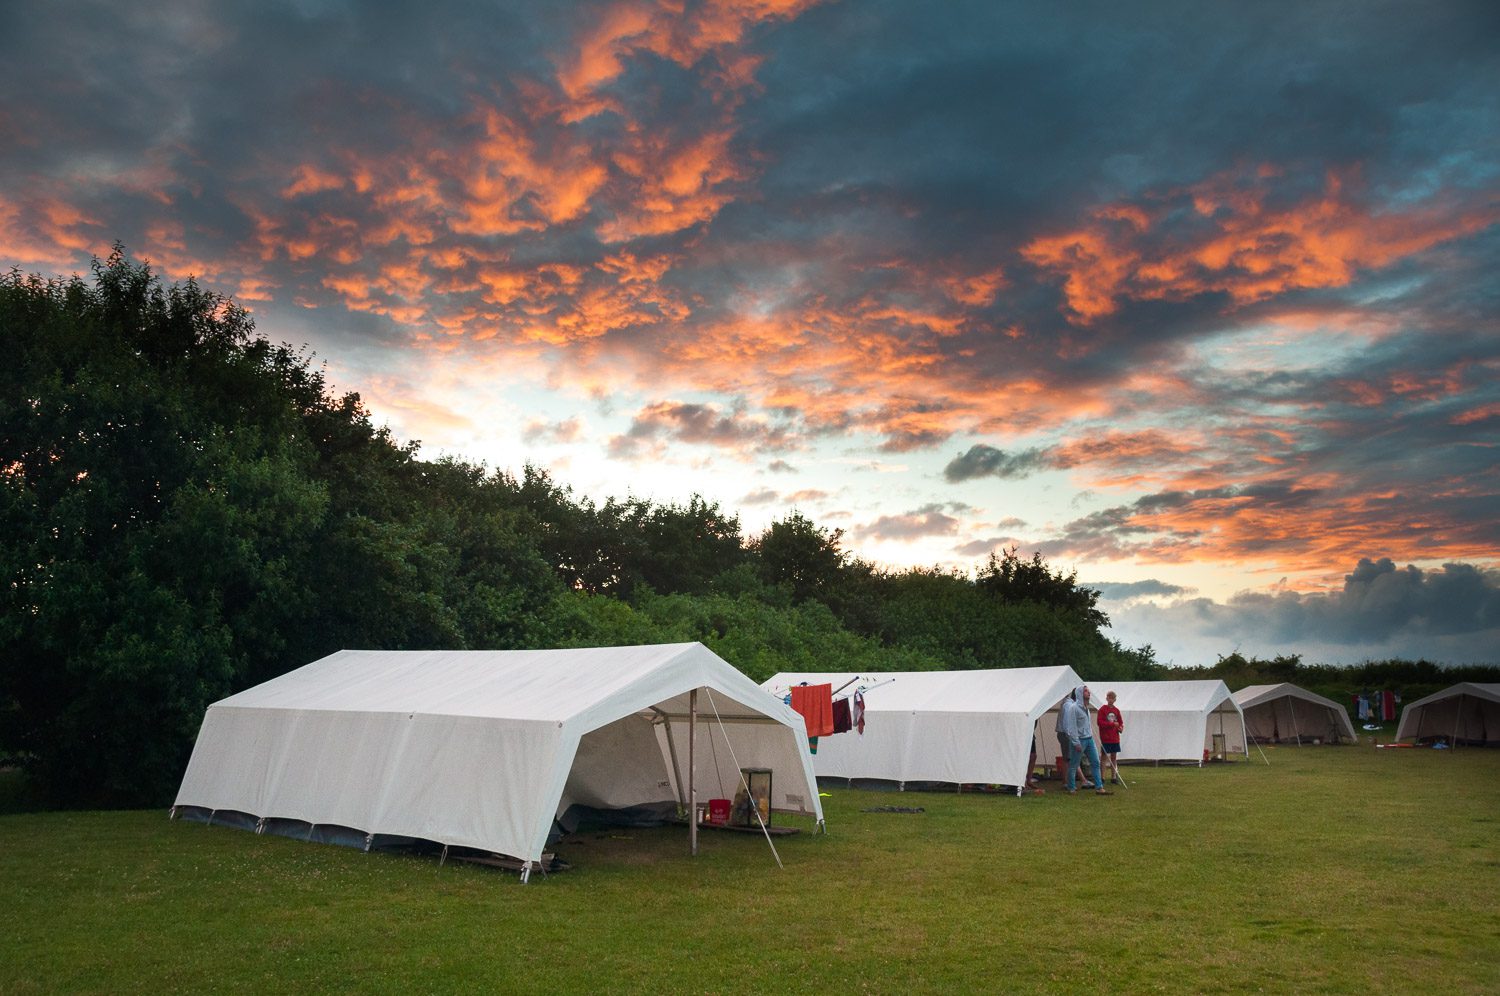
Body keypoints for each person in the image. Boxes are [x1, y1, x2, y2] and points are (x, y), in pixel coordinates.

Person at [1068, 685, 1111, 795]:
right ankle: (1071, 787)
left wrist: (1090, 735)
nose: (1089, 693)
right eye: (1086, 691)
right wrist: (1076, 742)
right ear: (1080, 693)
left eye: (1088, 691)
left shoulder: (1086, 708)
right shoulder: (1073, 708)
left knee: (1095, 762)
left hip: (1089, 739)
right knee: (1074, 764)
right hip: (1080, 740)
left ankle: (1099, 787)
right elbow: (1072, 726)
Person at [1096, 690, 1124, 785]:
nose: (1111, 700)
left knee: (1114, 757)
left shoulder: (1117, 710)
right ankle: (1102, 777)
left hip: (1115, 738)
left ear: (1115, 699)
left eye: (1113, 698)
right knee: (1104, 757)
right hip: (1106, 738)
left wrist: (1120, 728)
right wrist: (1112, 724)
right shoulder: (1102, 710)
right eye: (1109, 698)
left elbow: (1120, 722)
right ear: (1106, 698)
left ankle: (1114, 777)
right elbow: (1100, 723)